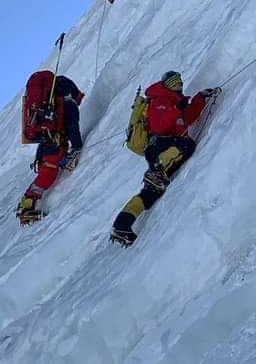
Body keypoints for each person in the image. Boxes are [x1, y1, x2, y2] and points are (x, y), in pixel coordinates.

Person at [110, 71, 220, 245]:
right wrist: (177, 109)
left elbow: (187, 119)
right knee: (187, 144)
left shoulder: (175, 102)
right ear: (166, 85)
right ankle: (157, 170)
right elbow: (160, 126)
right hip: (159, 146)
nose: (178, 85)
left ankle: (122, 225)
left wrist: (200, 98)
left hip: (165, 148)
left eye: (179, 82)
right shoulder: (159, 100)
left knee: (150, 193)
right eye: (173, 83)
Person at [16, 75, 85, 224]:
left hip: (45, 145)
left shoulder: (52, 104)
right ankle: (27, 204)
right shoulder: (68, 103)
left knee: (45, 172)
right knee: (48, 174)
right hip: (55, 146)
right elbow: (72, 127)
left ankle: (27, 204)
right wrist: (77, 147)